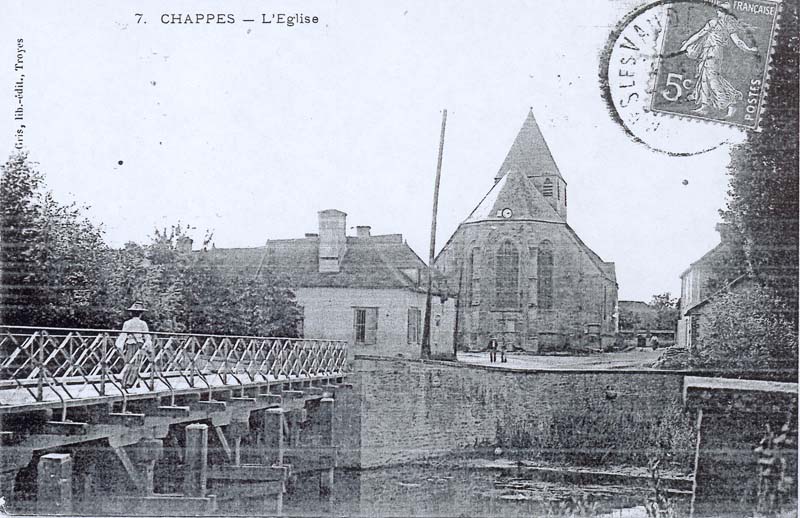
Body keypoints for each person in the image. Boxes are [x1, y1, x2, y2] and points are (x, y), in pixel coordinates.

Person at [679, 3, 758, 117]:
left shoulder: (724, 23)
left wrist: (748, 50)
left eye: (719, 10)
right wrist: (685, 45)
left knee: (712, 79)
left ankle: (731, 103)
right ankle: (705, 106)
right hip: (707, 52)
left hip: (714, 53)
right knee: (704, 78)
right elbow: (699, 35)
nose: (717, 11)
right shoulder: (717, 23)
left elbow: (737, 41)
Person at [115, 301, 152, 388]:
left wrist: (119, 345)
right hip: (139, 344)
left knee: (128, 362)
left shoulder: (127, 323)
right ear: (140, 314)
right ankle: (130, 382)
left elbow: (123, 335)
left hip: (129, 344)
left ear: (131, 313)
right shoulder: (143, 324)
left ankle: (126, 381)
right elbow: (146, 335)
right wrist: (148, 346)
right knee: (136, 364)